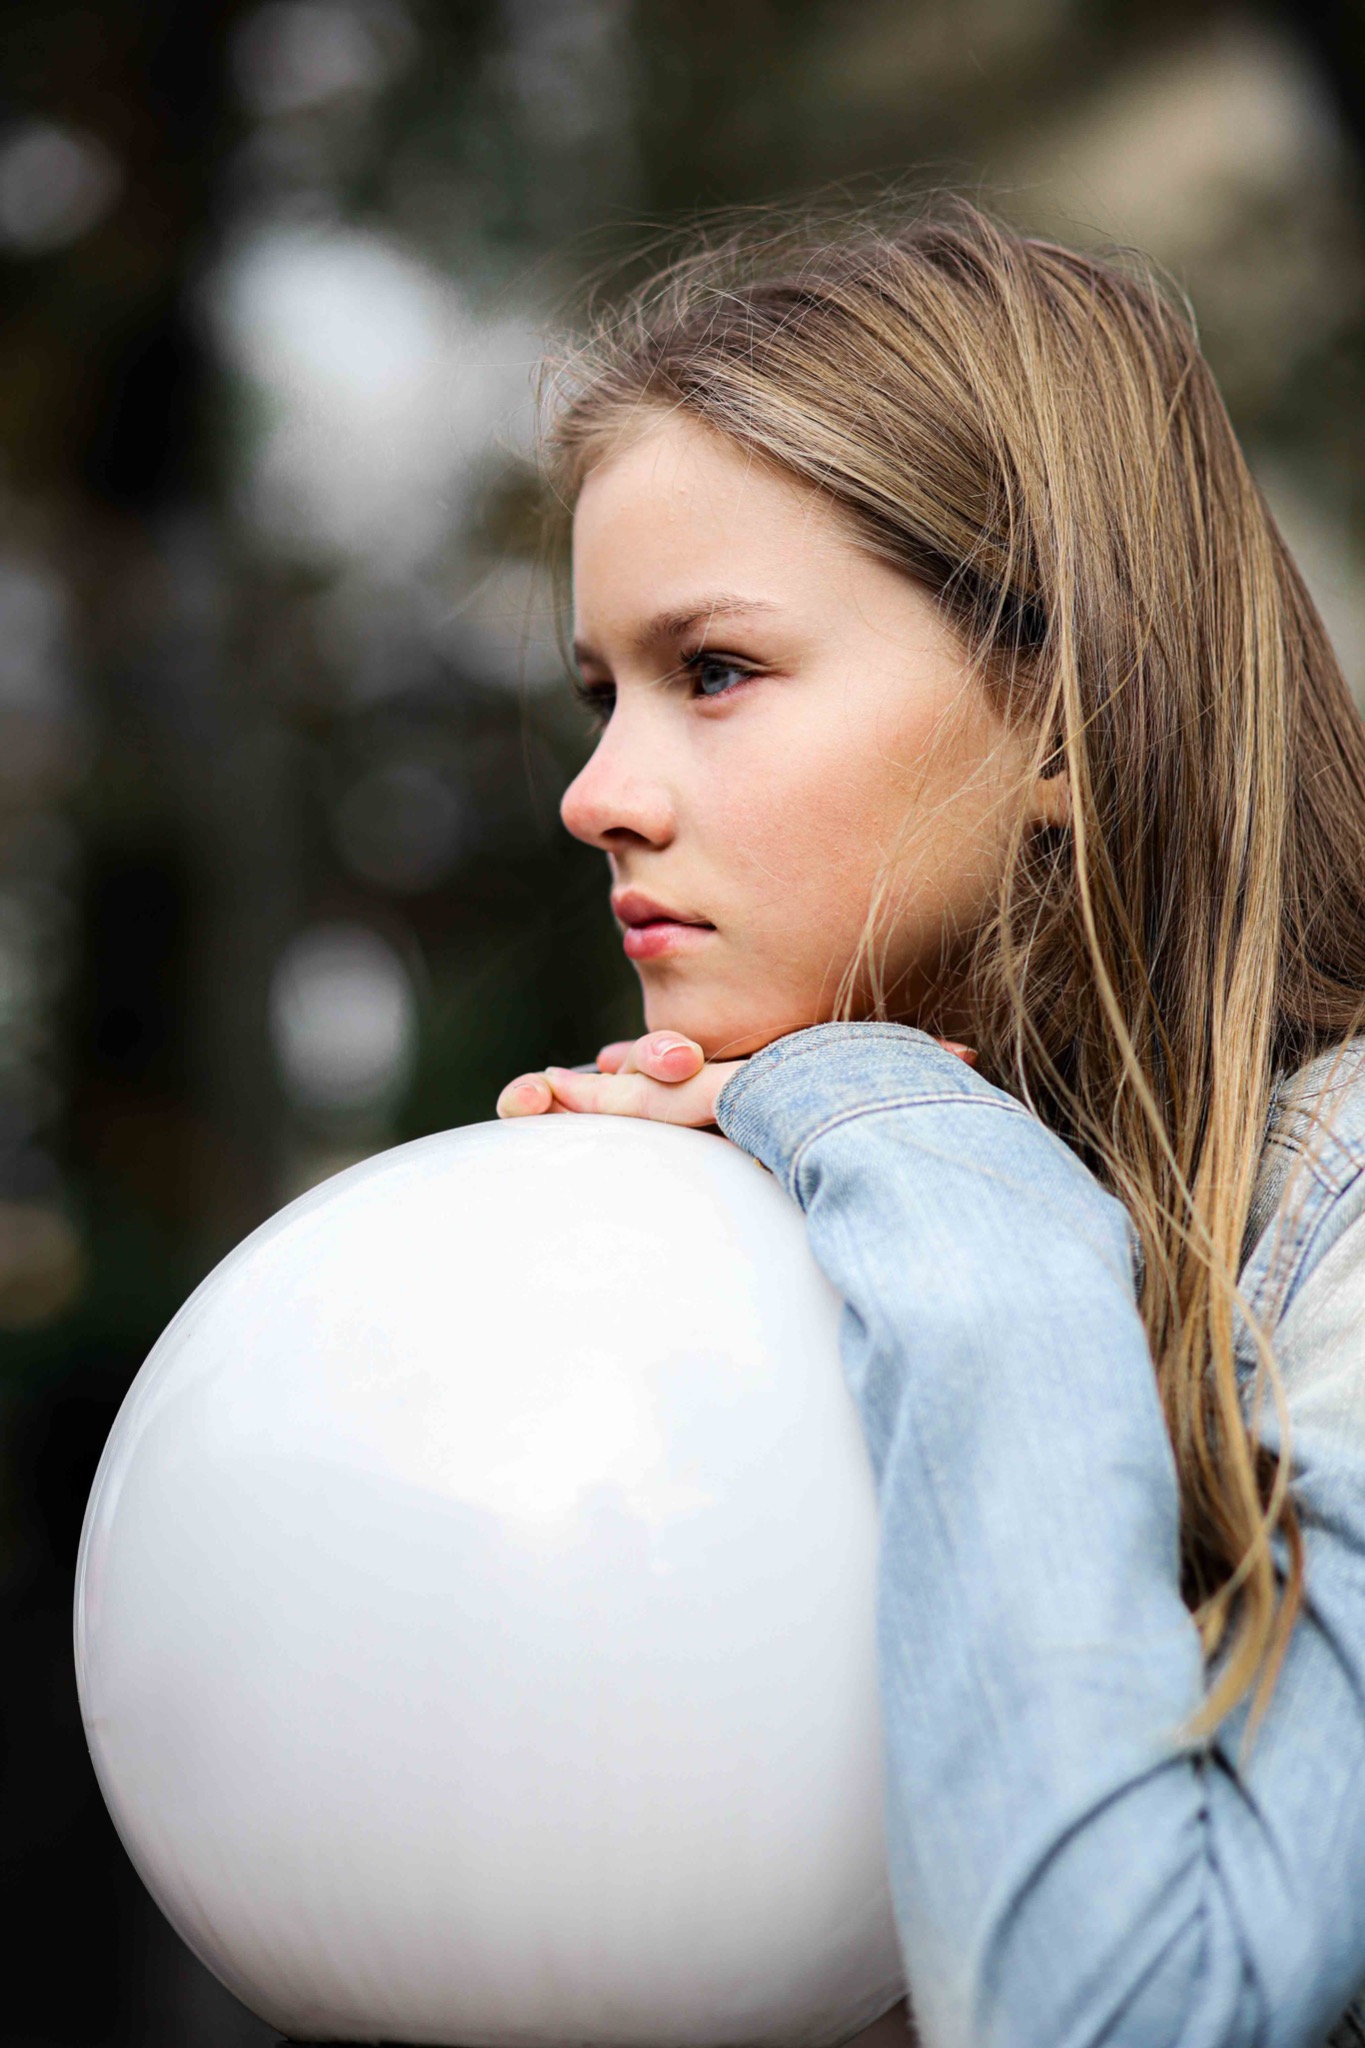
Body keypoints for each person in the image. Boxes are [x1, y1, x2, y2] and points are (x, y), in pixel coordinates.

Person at [494, 196, 1365, 2047]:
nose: (595, 794)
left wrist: (899, 1133)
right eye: (600, 694)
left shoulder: (1342, 1221)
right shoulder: (753, 1212)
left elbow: (1116, 2013)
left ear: (1063, 708)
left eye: (711, 670)